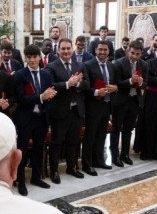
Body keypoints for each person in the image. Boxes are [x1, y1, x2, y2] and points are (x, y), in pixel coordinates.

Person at [12, 44, 56, 195]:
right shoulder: (19, 75)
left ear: (39, 57)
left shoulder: (46, 74)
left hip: (41, 117)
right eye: (29, 57)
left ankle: (36, 177)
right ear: (25, 58)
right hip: (25, 118)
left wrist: (49, 96)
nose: (32, 60)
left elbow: (50, 93)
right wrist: (40, 97)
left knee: (39, 149)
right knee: (22, 151)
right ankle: (21, 181)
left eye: (34, 57)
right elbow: (21, 99)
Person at [47, 38, 87, 183]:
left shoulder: (79, 65)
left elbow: (86, 84)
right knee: (57, 142)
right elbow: (50, 86)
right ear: (58, 50)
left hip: (76, 111)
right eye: (63, 49)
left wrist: (79, 84)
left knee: (73, 141)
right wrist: (67, 84)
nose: (66, 51)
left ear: (72, 49)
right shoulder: (51, 67)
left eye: (68, 48)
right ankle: (54, 171)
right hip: (59, 112)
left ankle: (72, 167)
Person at [81, 40, 117, 174]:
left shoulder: (111, 66)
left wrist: (116, 88)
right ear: (95, 50)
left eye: (105, 50)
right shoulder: (87, 65)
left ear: (109, 51)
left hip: (107, 105)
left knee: (102, 135)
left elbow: (114, 84)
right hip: (93, 106)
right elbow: (85, 88)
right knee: (90, 136)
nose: (102, 52)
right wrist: (96, 92)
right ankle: (87, 164)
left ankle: (99, 160)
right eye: (100, 49)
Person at [111, 41, 146, 165]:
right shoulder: (118, 63)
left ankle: (125, 154)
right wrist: (130, 81)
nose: (134, 56)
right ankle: (115, 156)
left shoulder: (143, 64)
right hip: (120, 101)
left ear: (141, 53)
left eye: (137, 54)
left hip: (134, 100)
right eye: (132, 53)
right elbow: (116, 83)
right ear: (128, 51)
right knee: (116, 129)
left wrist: (141, 83)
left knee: (128, 129)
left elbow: (146, 83)